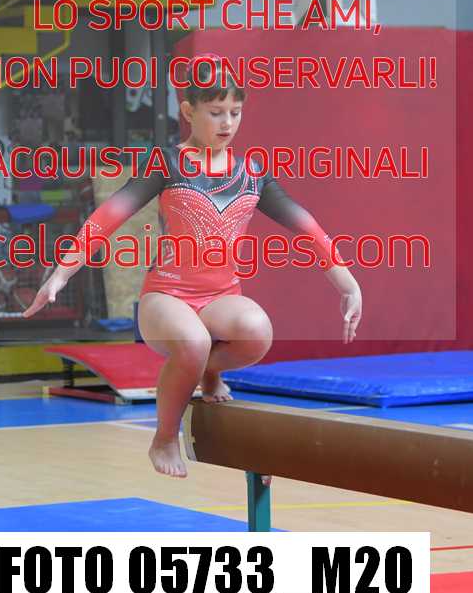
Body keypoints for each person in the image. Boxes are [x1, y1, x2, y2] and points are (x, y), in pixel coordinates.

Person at [24, 56, 362, 478]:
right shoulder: (166, 164)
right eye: (216, 112)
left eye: (235, 112)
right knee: (193, 341)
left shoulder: (252, 173)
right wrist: (61, 273)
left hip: (220, 297)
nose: (227, 123)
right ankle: (165, 436)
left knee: (257, 333)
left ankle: (208, 371)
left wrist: (347, 283)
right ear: (188, 111)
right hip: (166, 296)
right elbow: (108, 216)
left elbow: (305, 225)